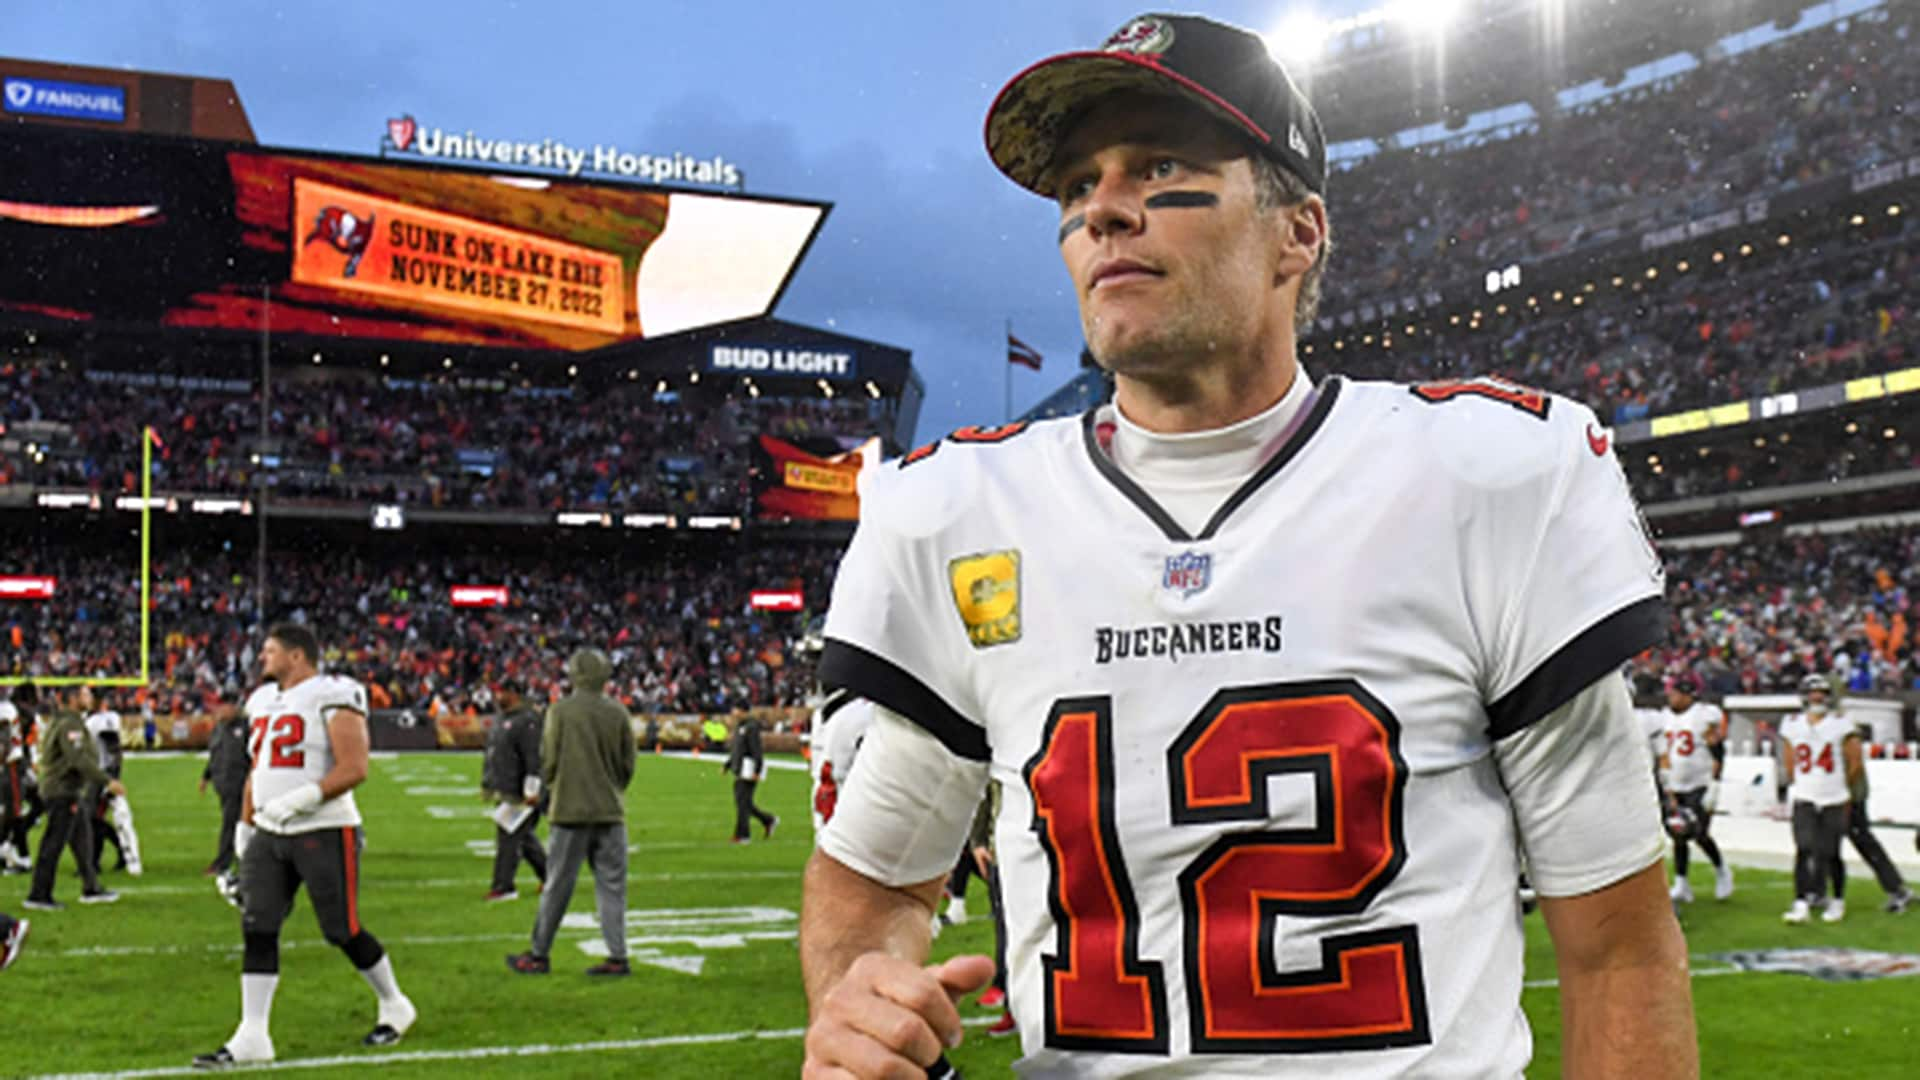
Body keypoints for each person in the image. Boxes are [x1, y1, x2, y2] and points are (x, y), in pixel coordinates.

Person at [800, 14, 1694, 1077]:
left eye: (1161, 166)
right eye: (1078, 184)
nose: (1104, 209)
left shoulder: (1482, 480)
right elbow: (876, 885)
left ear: (1298, 233)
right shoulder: (963, 511)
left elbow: (1620, 953)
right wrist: (862, 998)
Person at [192, 623, 416, 1068]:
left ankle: (394, 1003)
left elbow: (355, 767)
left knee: (341, 928)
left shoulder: (334, 692)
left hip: (325, 828)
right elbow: (259, 767)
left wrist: (299, 800)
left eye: (270, 650)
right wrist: (245, 825)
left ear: (297, 656)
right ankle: (253, 1034)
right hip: (270, 832)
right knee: (258, 926)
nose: (261, 658)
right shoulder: (261, 701)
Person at [507, 648, 634, 977]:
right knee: (612, 887)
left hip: (569, 811)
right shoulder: (618, 713)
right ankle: (617, 956)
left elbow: (548, 760)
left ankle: (539, 954)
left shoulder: (560, 711)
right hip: (610, 811)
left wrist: (555, 786)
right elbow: (627, 765)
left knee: (558, 885)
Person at [1809, 676, 1913, 914]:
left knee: (1861, 840)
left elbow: (1853, 763)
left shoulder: (1841, 724)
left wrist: (1845, 792)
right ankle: (1818, 890)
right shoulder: (1816, 724)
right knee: (1824, 843)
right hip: (1828, 791)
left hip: (1848, 792)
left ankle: (1896, 889)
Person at [24, 685, 123, 910]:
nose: (90, 698)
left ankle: (91, 887)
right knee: (54, 843)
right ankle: (38, 894)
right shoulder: (70, 724)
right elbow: (78, 759)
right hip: (62, 791)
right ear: (73, 699)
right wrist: (107, 780)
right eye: (85, 694)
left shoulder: (65, 720)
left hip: (67, 790)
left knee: (83, 840)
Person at [1778, 675, 1865, 924]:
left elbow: (1855, 761)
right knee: (1803, 849)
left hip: (1834, 797)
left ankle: (1837, 899)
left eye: (1821, 692)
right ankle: (1801, 901)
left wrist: (1840, 786)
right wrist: (1799, 783)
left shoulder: (1841, 724)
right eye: (1813, 692)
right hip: (1804, 794)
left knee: (1831, 851)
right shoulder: (1792, 723)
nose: (1817, 697)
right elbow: (1789, 759)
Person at [1658, 673, 1733, 902]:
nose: (1670, 697)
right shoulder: (1665, 718)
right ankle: (1682, 883)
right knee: (1677, 832)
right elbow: (1663, 753)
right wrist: (1667, 783)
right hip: (1676, 783)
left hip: (1699, 782)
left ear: (1687, 694)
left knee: (1699, 832)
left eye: (1675, 693)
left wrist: (1715, 784)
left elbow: (1717, 750)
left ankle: (1722, 870)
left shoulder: (1703, 715)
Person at [481, 679, 548, 902]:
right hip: (506, 787)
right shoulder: (502, 719)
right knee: (523, 837)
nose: (496, 696)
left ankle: (504, 886)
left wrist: (532, 789)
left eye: (501, 692)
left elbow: (533, 757)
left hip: (521, 791)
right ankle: (551, 877)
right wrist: (489, 784)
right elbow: (493, 753)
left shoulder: (528, 720)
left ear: (514, 694)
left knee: (508, 836)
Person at [86, 693, 142, 876]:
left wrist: (112, 778)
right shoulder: (93, 719)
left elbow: (114, 749)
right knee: (93, 819)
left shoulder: (103, 720)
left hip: (102, 775)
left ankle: (96, 861)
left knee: (93, 819)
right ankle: (104, 858)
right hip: (95, 774)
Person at [200, 704, 251, 877]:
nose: (219, 712)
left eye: (223, 708)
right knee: (234, 822)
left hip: (240, 783)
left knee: (231, 823)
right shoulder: (219, 729)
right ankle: (242, 858)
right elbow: (214, 755)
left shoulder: (246, 727)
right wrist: (205, 777)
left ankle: (223, 863)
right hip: (223, 783)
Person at [723, 717, 778, 844]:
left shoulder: (751, 728)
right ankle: (768, 820)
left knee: (743, 803)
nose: (733, 713)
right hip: (740, 769)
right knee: (744, 803)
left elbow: (756, 750)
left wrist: (757, 770)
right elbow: (737, 750)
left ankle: (742, 835)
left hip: (748, 770)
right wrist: (728, 764)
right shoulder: (740, 727)